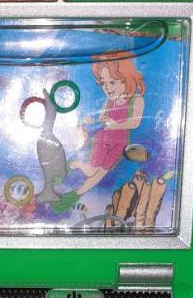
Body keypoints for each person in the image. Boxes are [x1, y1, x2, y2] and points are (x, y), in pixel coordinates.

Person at [53, 54, 145, 212]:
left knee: (98, 175)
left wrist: (116, 125)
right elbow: (101, 119)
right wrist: (90, 121)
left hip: (120, 145)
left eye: (112, 82)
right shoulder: (109, 102)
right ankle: (73, 165)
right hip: (103, 139)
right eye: (103, 83)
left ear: (127, 78)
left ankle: (70, 198)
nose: (107, 88)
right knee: (91, 171)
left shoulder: (136, 100)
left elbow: (135, 122)